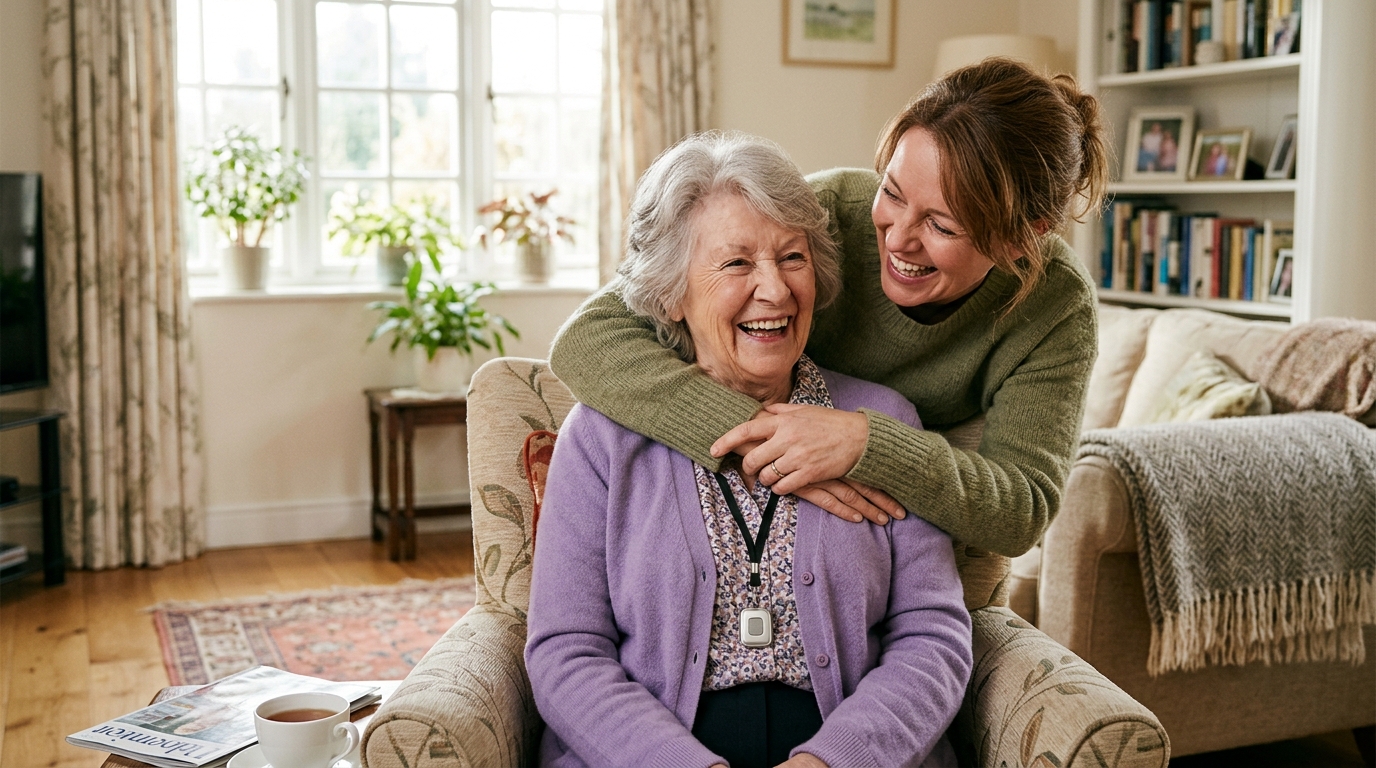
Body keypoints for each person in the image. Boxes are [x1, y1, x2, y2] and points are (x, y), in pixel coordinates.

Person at [548, 58, 1108, 588]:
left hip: (873, 545)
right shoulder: (827, 213)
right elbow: (585, 339)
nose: (898, 237)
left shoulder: (1055, 305)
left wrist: (864, 441)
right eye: (891, 192)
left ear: (1022, 238)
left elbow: (1022, 510)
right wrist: (765, 439)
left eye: (941, 224)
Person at [526, 132, 972, 768]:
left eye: (792, 258)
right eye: (737, 264)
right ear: (671, 293)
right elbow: (565, 651)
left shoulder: (882, 423)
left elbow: (934, 638)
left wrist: (832, 762)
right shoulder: (603, 438)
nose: (776, 291)